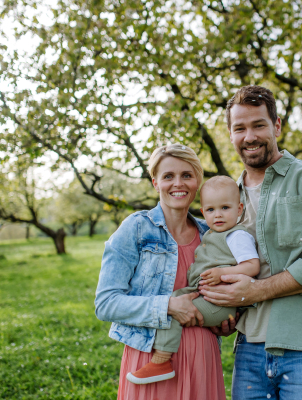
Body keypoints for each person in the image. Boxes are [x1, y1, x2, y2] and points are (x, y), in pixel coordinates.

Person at [199, 85, 302, 400]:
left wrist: (254, 291)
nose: (250, 136)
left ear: (277, 126)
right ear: (230, 134)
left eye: (259, 125)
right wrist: (229, 311)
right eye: (240, 128)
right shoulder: (228, 198)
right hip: (250, 348)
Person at [95, 143, 229, 400]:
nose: (178, 183)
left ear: (197, 181)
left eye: (186, 175)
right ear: (155, 182)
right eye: (168, 176)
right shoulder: (135, 228)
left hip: (202, 356)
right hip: (151, 358)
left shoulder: (211, 234)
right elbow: (106, 303)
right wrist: (167, 306)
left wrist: (224, 322)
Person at [126, 175, 260, 384]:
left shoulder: (237, 236)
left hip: (219, 301)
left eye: (225, 208)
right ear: (202, 211)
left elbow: (253, 266)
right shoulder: (209, 233)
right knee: (170, 302)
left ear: (240, 209)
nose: (218, 215)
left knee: (176, 312)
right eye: (211, 210)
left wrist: (222, 273)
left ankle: (162, 360)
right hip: (205, 294)